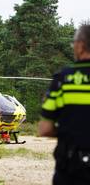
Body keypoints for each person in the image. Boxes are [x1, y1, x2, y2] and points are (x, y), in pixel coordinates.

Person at [39, 23, 90, 185]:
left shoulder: (62, 79)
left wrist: (68, 132)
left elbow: (44, 129)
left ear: (80, 46)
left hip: (71, 166)